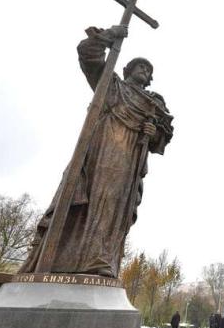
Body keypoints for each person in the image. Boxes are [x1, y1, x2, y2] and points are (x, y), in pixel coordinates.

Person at [20, 25, 173, 278]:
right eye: (140, 66)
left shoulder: (153, 103)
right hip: (100, 152)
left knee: (113, 206)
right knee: (84, 198)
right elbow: (88, 55)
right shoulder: (112, 86)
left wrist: (152, 131)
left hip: (127, 160)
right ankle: (59, 256)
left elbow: (162, 137)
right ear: (128, 70)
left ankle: (99, 258)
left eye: (148, 70)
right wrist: (110, 35)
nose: (144, 71)